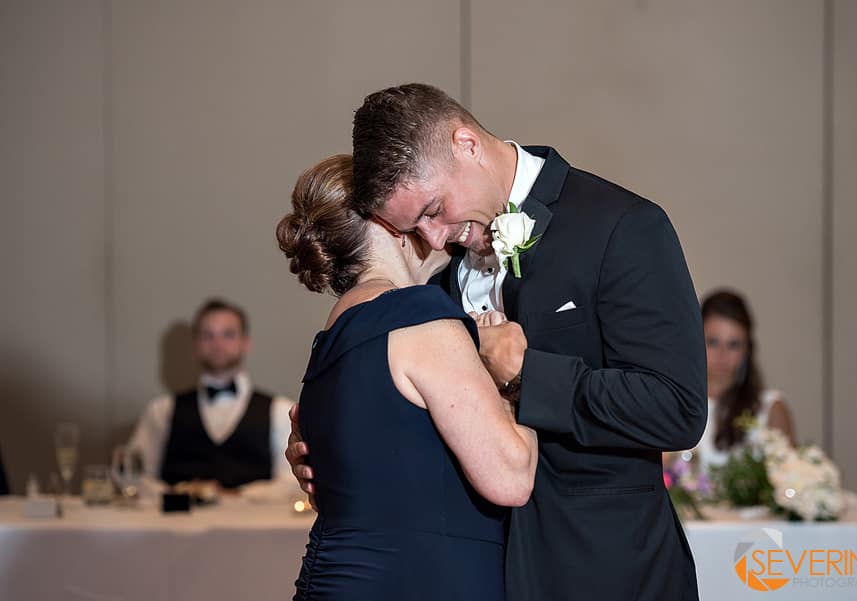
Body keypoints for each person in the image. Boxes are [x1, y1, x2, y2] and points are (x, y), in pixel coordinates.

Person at [287, 83, 707, 601]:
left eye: (434, 208)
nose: (435, 236)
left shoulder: (621, 226)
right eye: (415, 225)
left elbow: (677, 408)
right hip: (470, 574)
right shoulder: (434, 271)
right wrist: (336, 452)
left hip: (601, 571)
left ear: (465, 144)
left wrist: (530, 376)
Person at [276, 154, 538, 600]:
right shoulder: (418, 314)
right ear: (391, 221)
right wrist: (509, 383)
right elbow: (511, 478)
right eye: (425, 208)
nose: (439, 224)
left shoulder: (333, 333)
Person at [127, 298, 295, 499]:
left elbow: (291, 482)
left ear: (245, 343)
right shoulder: (162, 410)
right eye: (208, 335)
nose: (218, 344)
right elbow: (134, 475)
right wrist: (181, 493)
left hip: (253, 526)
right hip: (175, 526)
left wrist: (236, 494)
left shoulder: (280, 410)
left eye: (228, 335)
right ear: (195, 345)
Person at [695, 289, 797, 473]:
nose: (722, 355)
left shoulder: (770, 407)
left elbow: (791, 483)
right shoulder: (674, 403)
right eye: (712, 342)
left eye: (733, 344)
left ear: (747, 349)